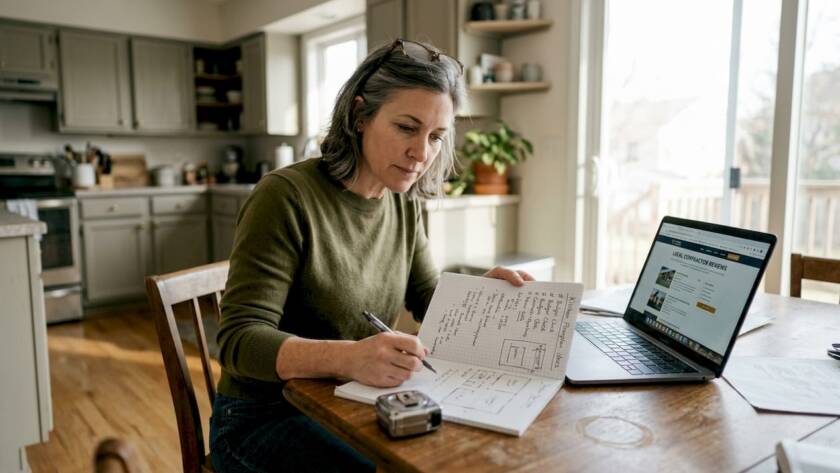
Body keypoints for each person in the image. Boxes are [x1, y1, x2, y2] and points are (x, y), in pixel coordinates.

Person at [209, 39, 535, 473]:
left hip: (350, 400)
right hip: (262, 417)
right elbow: (238, 340)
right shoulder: (284, 197)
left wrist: (480, 298)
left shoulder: (402, 200)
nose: (422, 154)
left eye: (436, 136)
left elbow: (426, 294)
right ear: (360, 115)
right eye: (406, 127)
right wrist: (349, 357)